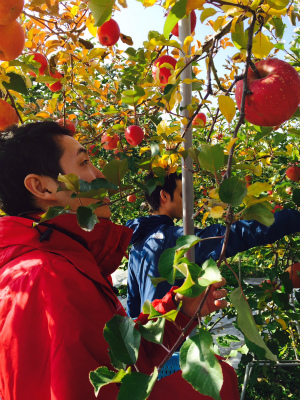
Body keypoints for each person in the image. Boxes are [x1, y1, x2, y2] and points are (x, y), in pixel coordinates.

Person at [0, 122, 239, 400]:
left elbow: (119, 363)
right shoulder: (45, 277)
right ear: (41, 187)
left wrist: (179, 310)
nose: (99, 174)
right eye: (84, 162)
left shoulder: (62, 261)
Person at [126, 172, 300, 318]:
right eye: (181, 195)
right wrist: (292, 219)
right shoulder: (170, 239)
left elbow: (133, 306)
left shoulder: (137, 246)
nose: (187, 201)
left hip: (149, 340)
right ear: (164, 196)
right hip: (170, 340)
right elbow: (234, 235)